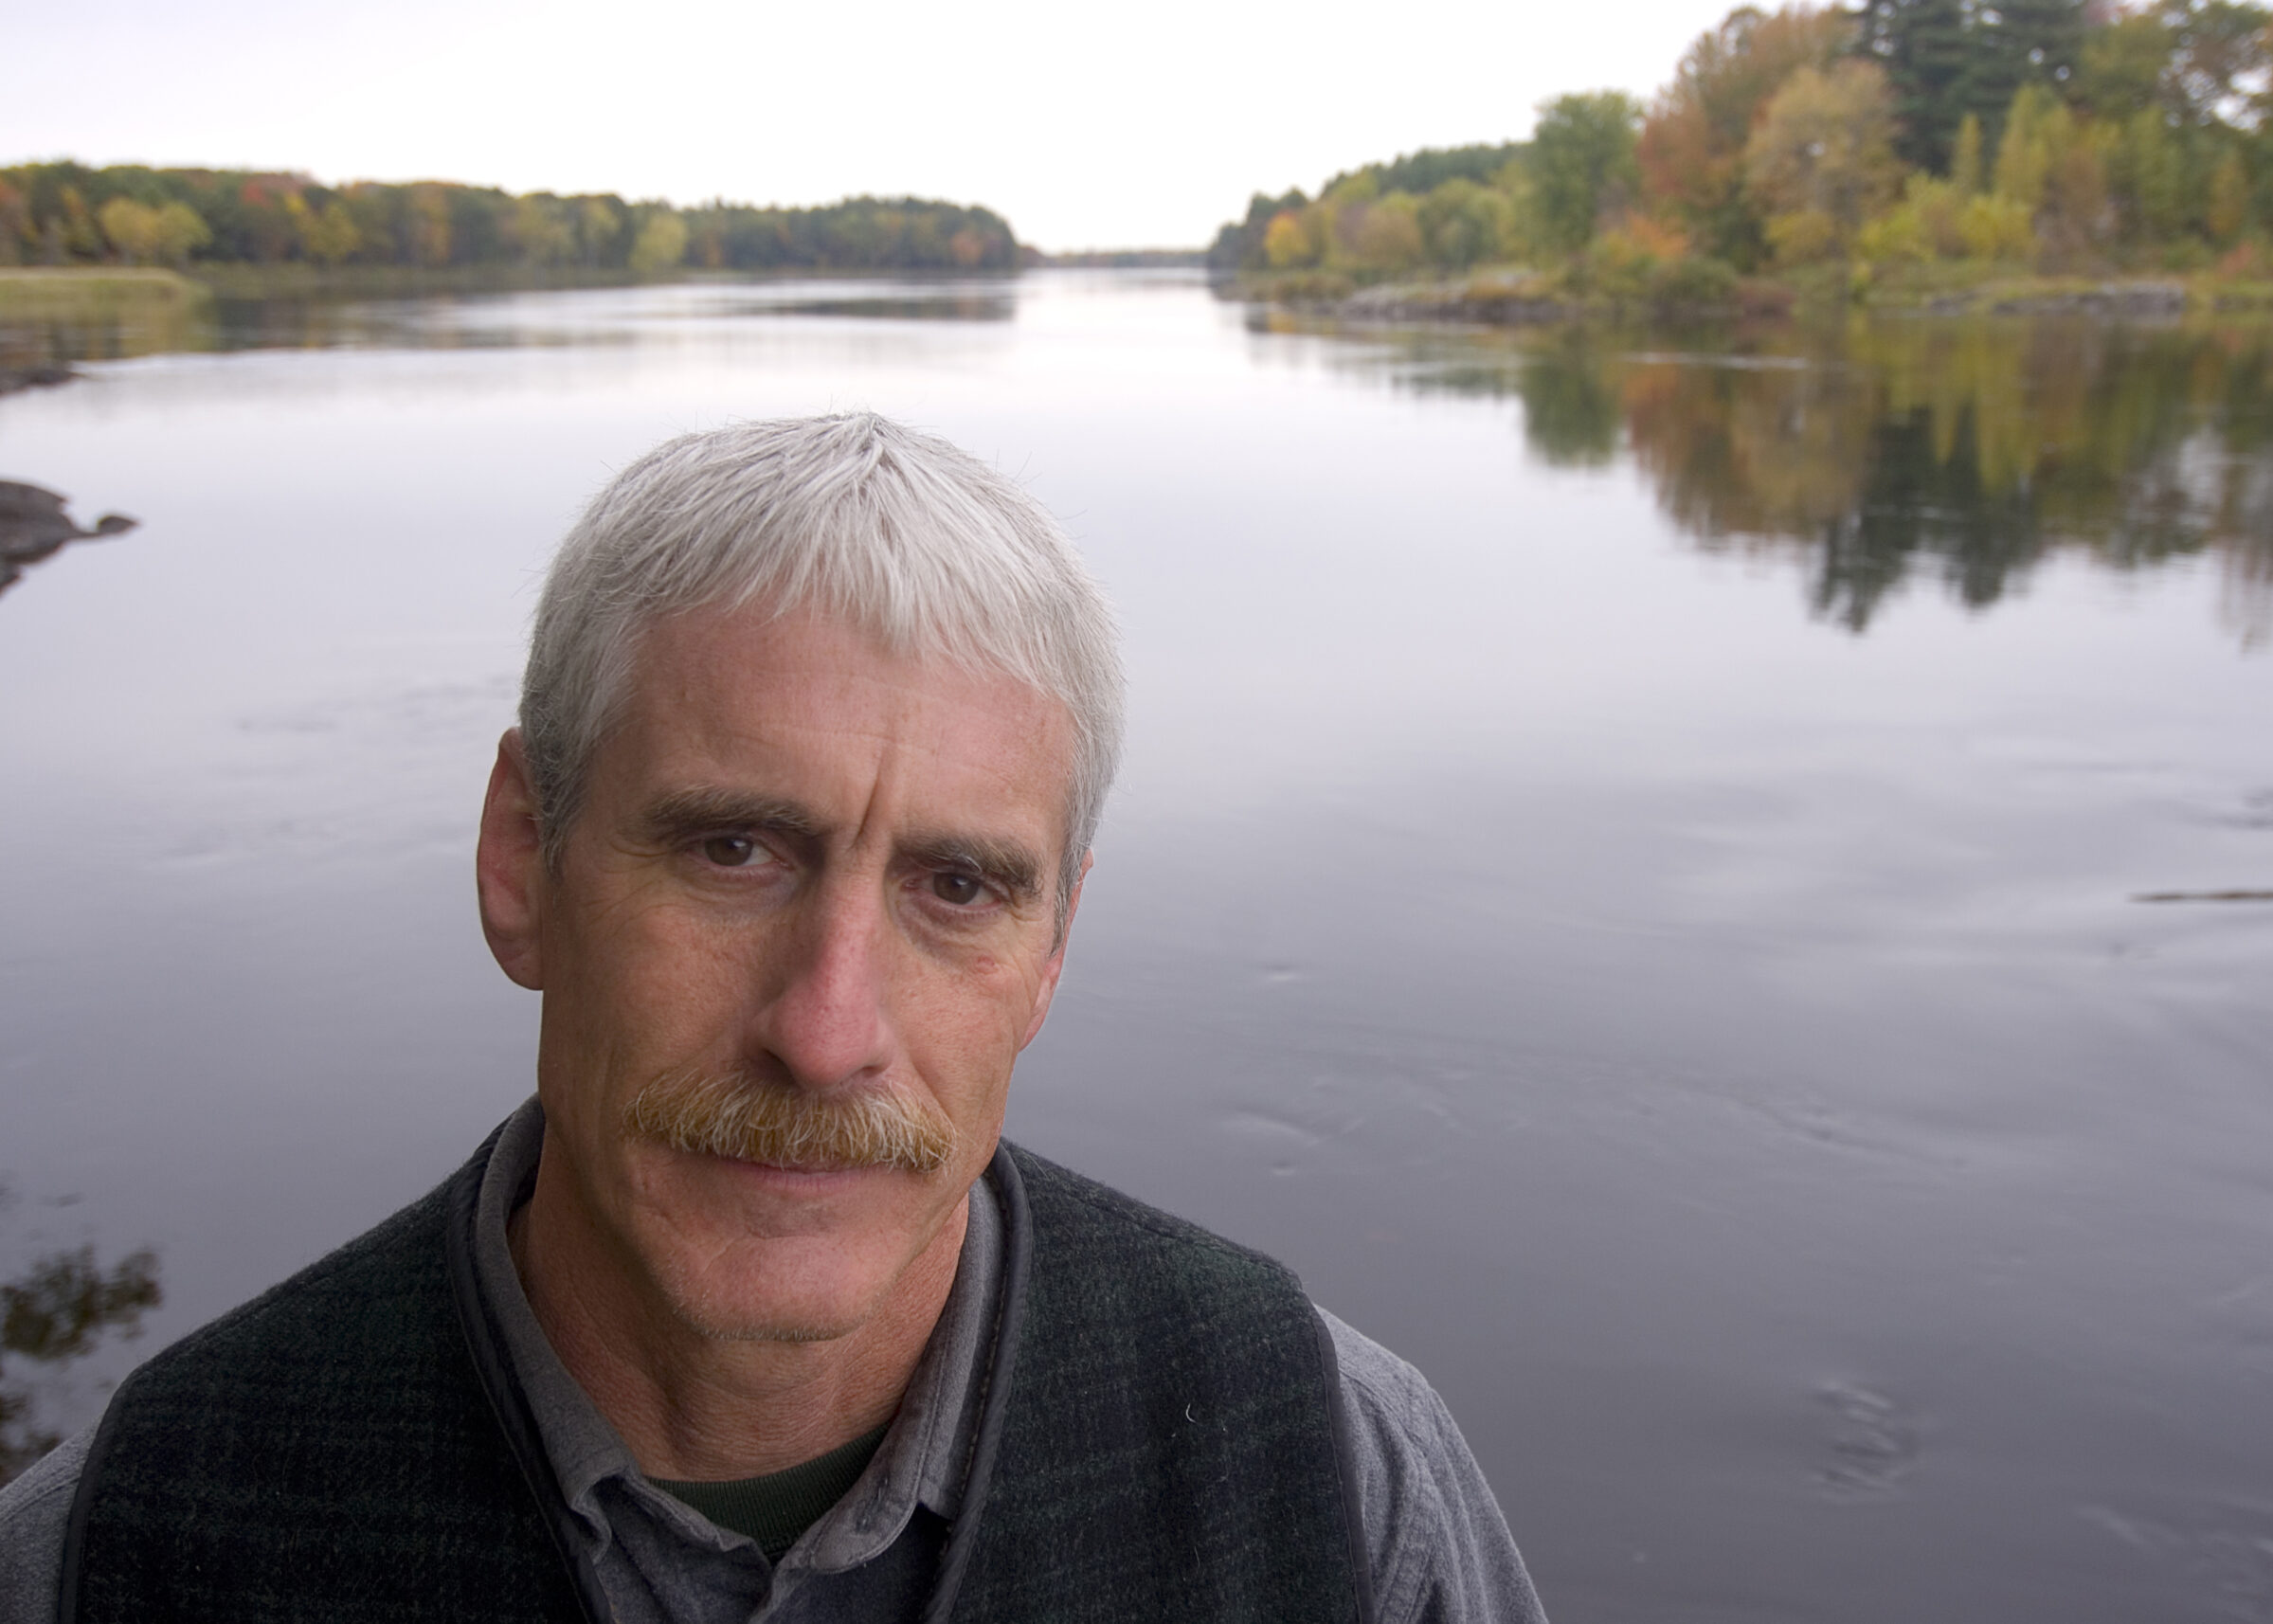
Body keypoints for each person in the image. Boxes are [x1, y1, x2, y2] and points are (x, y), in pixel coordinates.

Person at [0, 414, 1545, 1623]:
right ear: (522, 859)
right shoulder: (119, 1550)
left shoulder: (1337, 1482)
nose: (824, 1030)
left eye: (956, 886)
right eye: (734, 849)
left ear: (1056, 944)